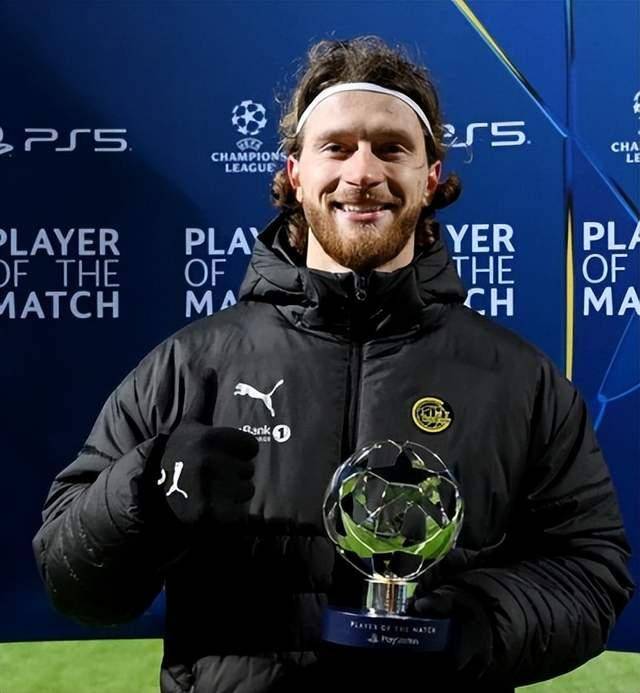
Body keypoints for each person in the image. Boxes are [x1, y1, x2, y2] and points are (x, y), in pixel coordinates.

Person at [33, 36, 634, 693]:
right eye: (337, 147)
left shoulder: (520, 381)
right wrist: (147, 493)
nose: (363, 172)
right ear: (295, 172)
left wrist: (482, 623)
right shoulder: (188, 367)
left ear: (431, 176)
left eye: (391, 148)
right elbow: (72, 582)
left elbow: (591, 569)